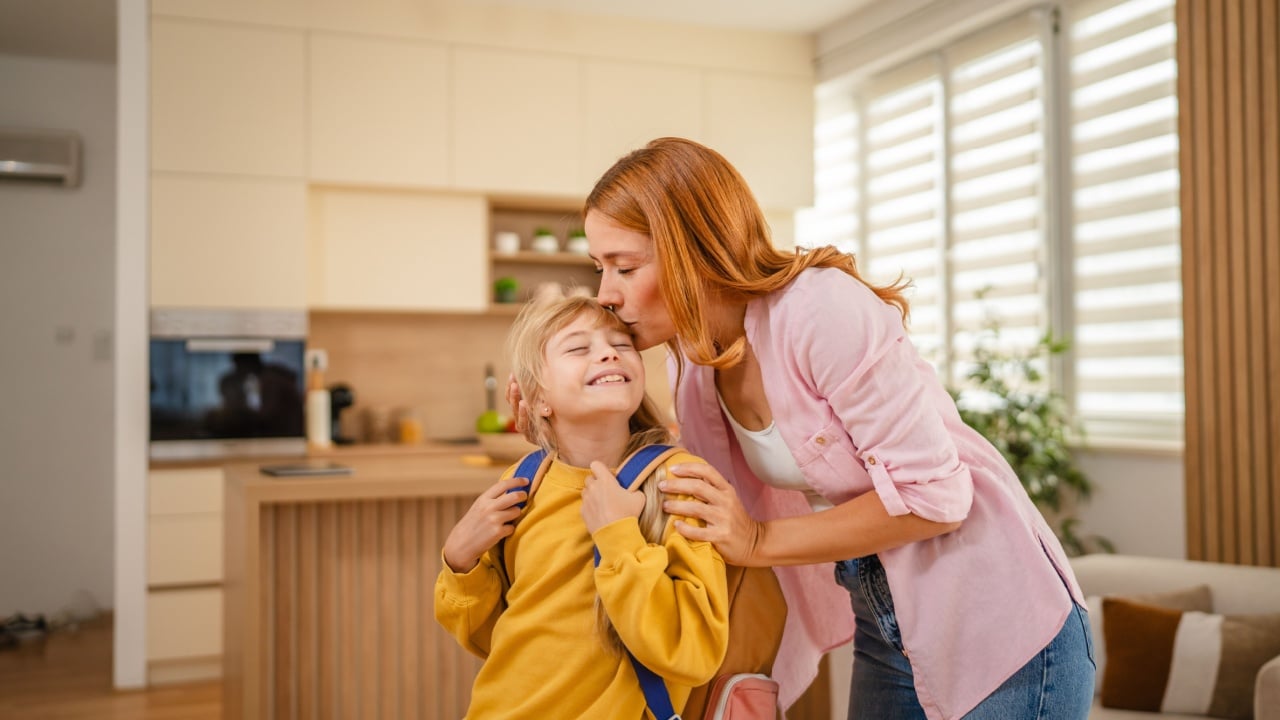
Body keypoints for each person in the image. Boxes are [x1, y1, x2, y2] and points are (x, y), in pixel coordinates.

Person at [514, 136, 1096, 720]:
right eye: (600, 268)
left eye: (625, 266)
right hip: (883, 610)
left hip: (995, 612)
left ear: (693, 251)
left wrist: (759, 541)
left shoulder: (819, 309)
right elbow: (685, 481)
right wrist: (557, 422)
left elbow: (937, 497)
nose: (606, 295)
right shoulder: (696, 360)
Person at [434, 294, 731, 719]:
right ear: (538, 399)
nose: (609, 352)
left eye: (622, 344)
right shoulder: (526, 480)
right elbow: (493, 639)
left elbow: (691, 652)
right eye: (578, 347)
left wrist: (618, 537)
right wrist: (460, 561)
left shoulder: (678, 482)